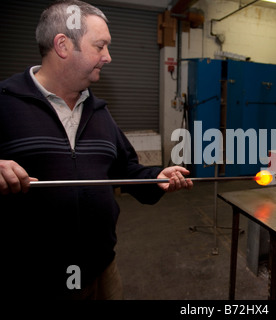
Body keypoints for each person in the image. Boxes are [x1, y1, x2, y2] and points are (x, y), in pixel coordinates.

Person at [0, 0, 193, 299]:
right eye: (100, 46)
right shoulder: (5, 103)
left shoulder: (99, 112)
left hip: (102, 269)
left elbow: (126, 171)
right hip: (30, 277)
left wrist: (158, 177)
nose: (108, 57)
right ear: (63, 46)